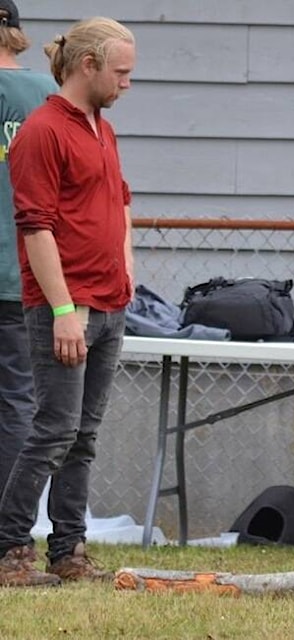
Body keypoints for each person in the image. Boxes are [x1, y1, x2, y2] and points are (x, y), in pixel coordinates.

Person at [0, 16, 136, 587]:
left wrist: (127, 270)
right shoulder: (43, 131)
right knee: (52, 430)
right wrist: (61, 311)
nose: (128, 83)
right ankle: (9, 550)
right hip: (67, 307)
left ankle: (69, 551)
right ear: (88, 66)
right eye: (121, 72)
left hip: (110, 305)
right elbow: (35, 227)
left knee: (83, 436)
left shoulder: (100, 128)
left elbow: (121, 202)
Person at [0, 0, 58, 494]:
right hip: (24, 272)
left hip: (19, 271)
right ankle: (8, 528)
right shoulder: (46, 94)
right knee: (17, 400)